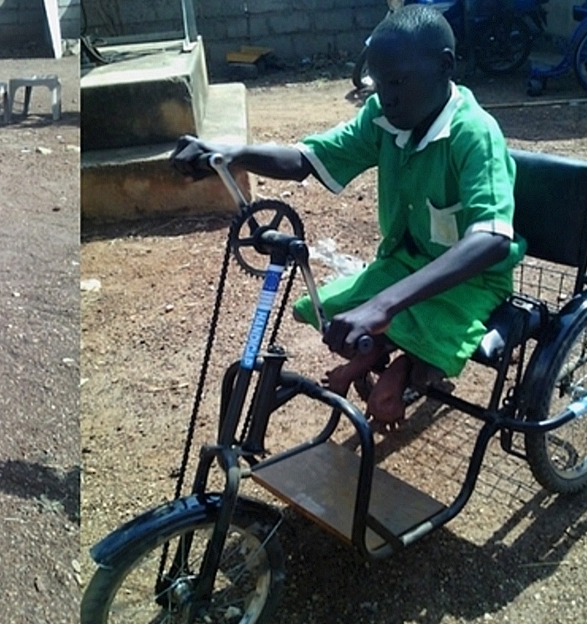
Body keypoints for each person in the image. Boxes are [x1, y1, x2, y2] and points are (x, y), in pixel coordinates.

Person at [171, 5, 525, 430]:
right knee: (332, 314)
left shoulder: (475, 135)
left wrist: (383, 304)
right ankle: (379, 362)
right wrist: (233, 153)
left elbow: (491, 240)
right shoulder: (384, 117)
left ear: (445, 66)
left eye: (397, 83)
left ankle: (403, 372)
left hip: (470, 278)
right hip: (403, 262)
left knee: (420, 321)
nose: (385, 96)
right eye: (379, 83)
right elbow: (309, 158)